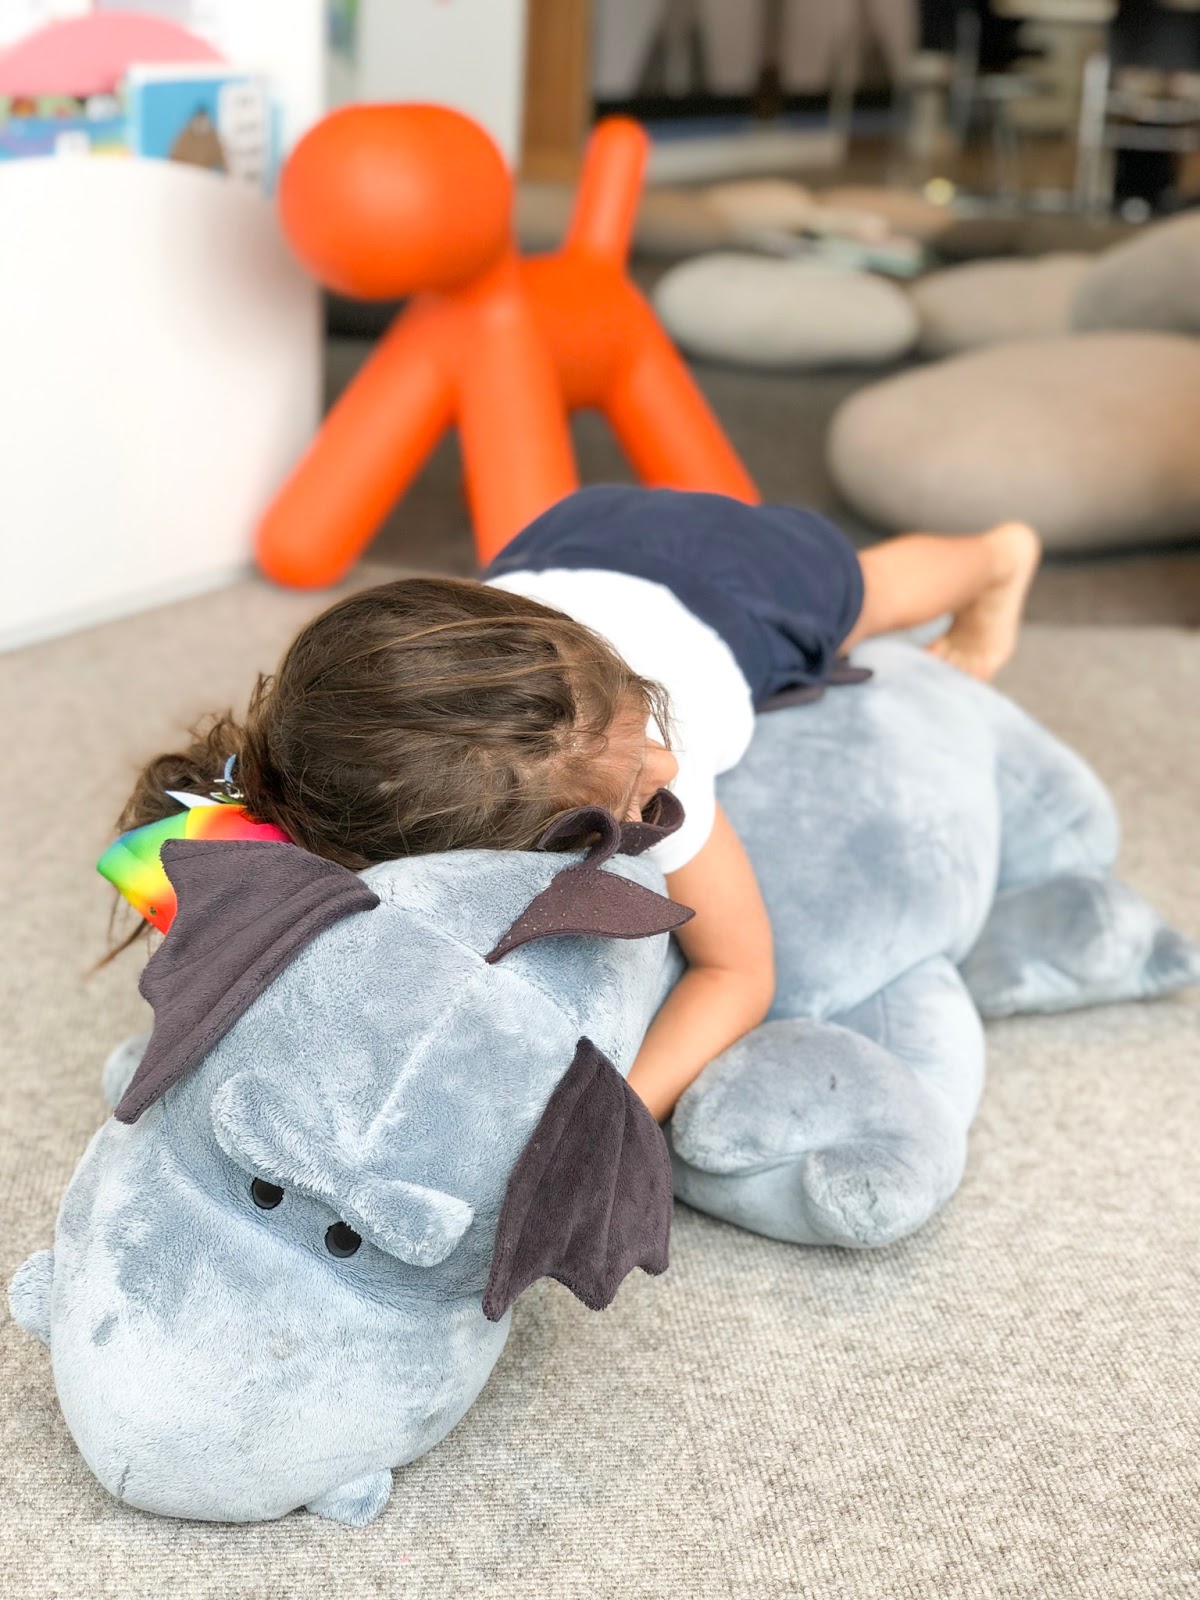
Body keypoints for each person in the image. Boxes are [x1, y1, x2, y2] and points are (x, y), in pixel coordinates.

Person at [111, 486, 1040, 1121]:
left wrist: (610, 1114)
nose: (666, 761)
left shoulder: (664, 770)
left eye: (647, 715)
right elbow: (185, 881)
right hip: (564, 534)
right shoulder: (343, 762)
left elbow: (739, 973)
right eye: (637, 773)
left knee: (868, 594)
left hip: (740, 584)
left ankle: (997, 560)